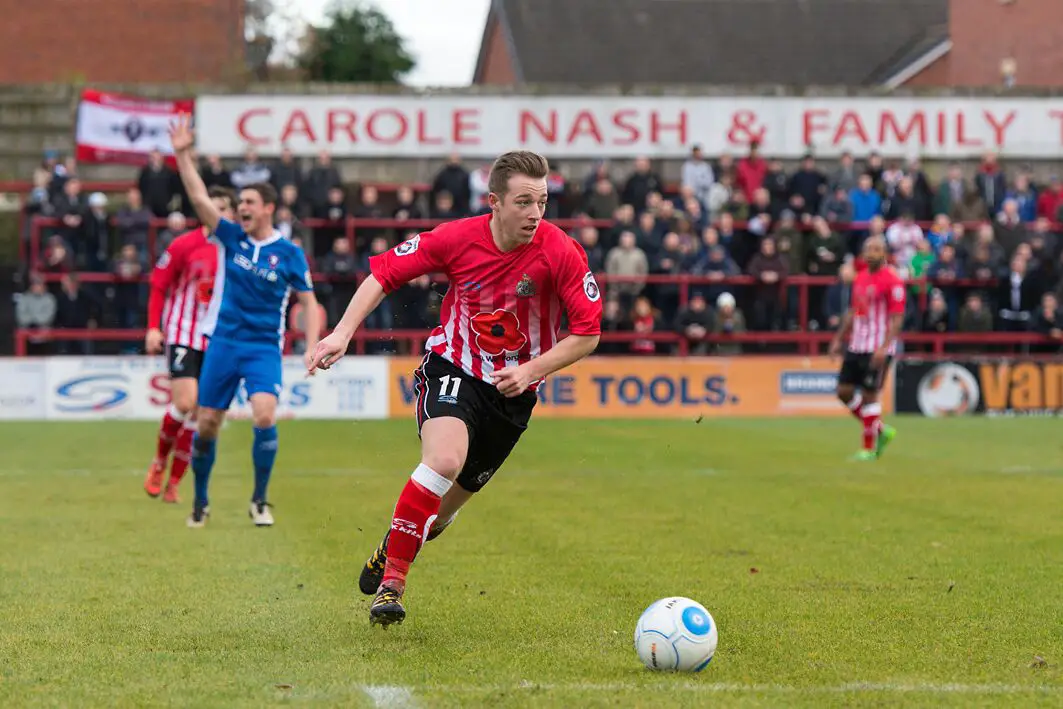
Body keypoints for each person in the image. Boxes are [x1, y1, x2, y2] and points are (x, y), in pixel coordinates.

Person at [308, 150, 603, 627]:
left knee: (439, 517)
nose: (535, 213)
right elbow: (382, 275)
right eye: (524, 202)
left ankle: (393, 545)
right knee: (442, 461)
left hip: (513, 395)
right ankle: (392, 586)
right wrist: (341, 332)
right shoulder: (456, 238)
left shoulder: (561, 251)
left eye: (542, 202)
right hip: (455, 367)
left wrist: (531, 371)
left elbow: (588, 333)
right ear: (495, 202)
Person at [168, 114, 322, 528]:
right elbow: (200, 198)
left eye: (249, 203)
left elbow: (310, 302)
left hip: (261, 348)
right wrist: (183, 155)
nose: (242, 208)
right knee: (208, 423)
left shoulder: (289, 253)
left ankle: (259, 500)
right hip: (222, 343)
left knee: (265, 414)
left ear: (268, 208)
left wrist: (313, 344)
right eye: (240, 204)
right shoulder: (232, 238)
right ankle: (200, 502)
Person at [143, 186, 236, 503]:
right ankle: (158, 462)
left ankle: (174, 483)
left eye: (224, 208)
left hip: (218, 339)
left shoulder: (237, 249)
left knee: (199, 414)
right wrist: (153, 328)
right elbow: (158, 286)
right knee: (185, 403)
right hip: (183, 332)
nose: (218, 213)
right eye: (214, 206)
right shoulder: (184, 244)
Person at [829, 236, 905, 461]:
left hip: (877, 346)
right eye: (868, 248)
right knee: (844, 392)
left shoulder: (892, 280)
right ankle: (880, 430)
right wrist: (838, 338)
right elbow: (853, 311)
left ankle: (868, 448)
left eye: (876, 249)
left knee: (870, 395)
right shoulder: (861, 277)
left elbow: (897, 318)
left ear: (884, 253)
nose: (871, 252)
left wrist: (884, 347)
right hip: (857, 344)